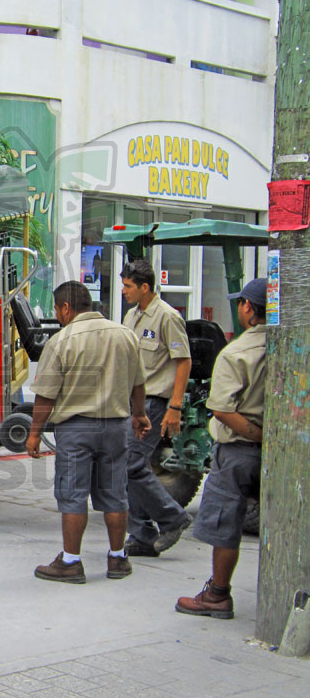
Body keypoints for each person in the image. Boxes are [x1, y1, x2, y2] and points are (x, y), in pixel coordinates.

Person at [26, 280, 150, 584]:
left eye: (58, 310)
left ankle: (71, 562)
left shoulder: (61, 341)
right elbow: (138, 383)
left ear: (66, 308)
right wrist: (139, 414)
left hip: (76, 429)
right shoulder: (125, 335)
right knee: (115, 494)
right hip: (116, 427)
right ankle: (118, 558)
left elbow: (46, 395)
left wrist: (34, 433)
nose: (58, 316)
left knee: (73, 496)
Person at [176, 278, 267, 619]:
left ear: (248, 308)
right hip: (279, 450)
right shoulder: (290, 345)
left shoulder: (237, 352)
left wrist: (258, 435)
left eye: (240, 303)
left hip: (240, 450)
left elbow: (222, 410)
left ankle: (217, 594)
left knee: (225, 523)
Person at [119, 260, 193, 557]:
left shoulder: (167, 317)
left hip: (155, 403)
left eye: (128, 286)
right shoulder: (131, 316)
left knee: (130, 463)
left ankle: (172, 518)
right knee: (127, 466)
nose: (123, 291)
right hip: (132, 401)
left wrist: (175, 407)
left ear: (145, 287)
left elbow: (183, 361)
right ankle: (142, 535)